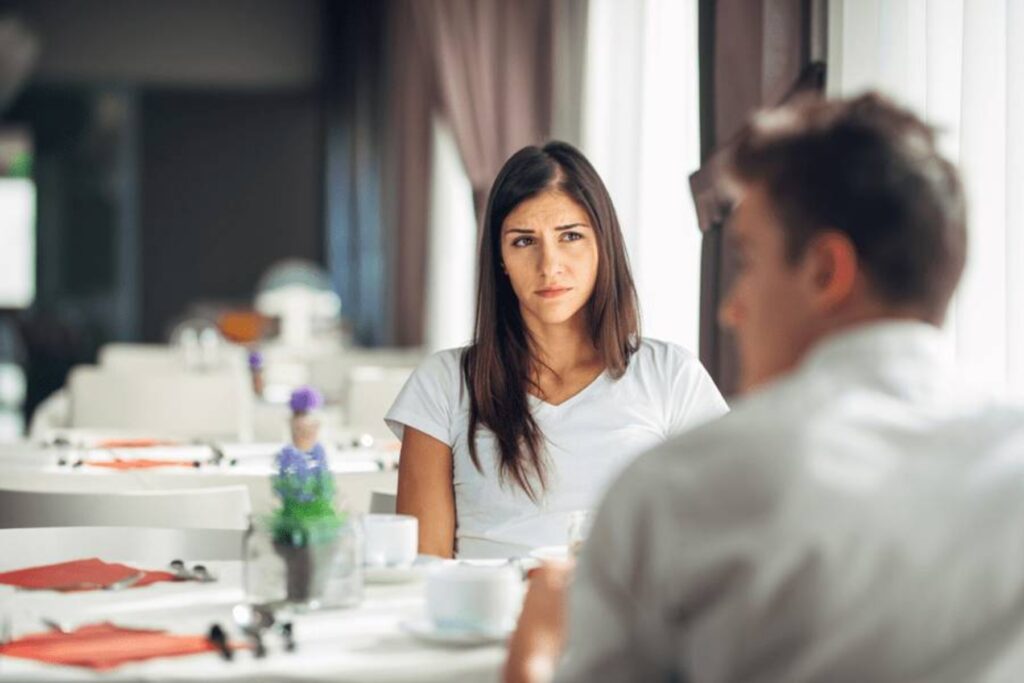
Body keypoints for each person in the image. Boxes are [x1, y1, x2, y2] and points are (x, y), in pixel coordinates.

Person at [505, 92, 1024, 682]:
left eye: (749, 260)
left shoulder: (677, 490)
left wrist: (535, 646)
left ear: (826, 272)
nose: (731, 308)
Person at [385, 141, 727, 559]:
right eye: (524, 242)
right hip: (486, 621)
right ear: (500, 259)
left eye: (570, 236)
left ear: (603, 244)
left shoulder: (672, 376)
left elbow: (719, 543)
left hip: (623, 620)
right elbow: (425, 571)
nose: (550, 266)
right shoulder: (442, 384)